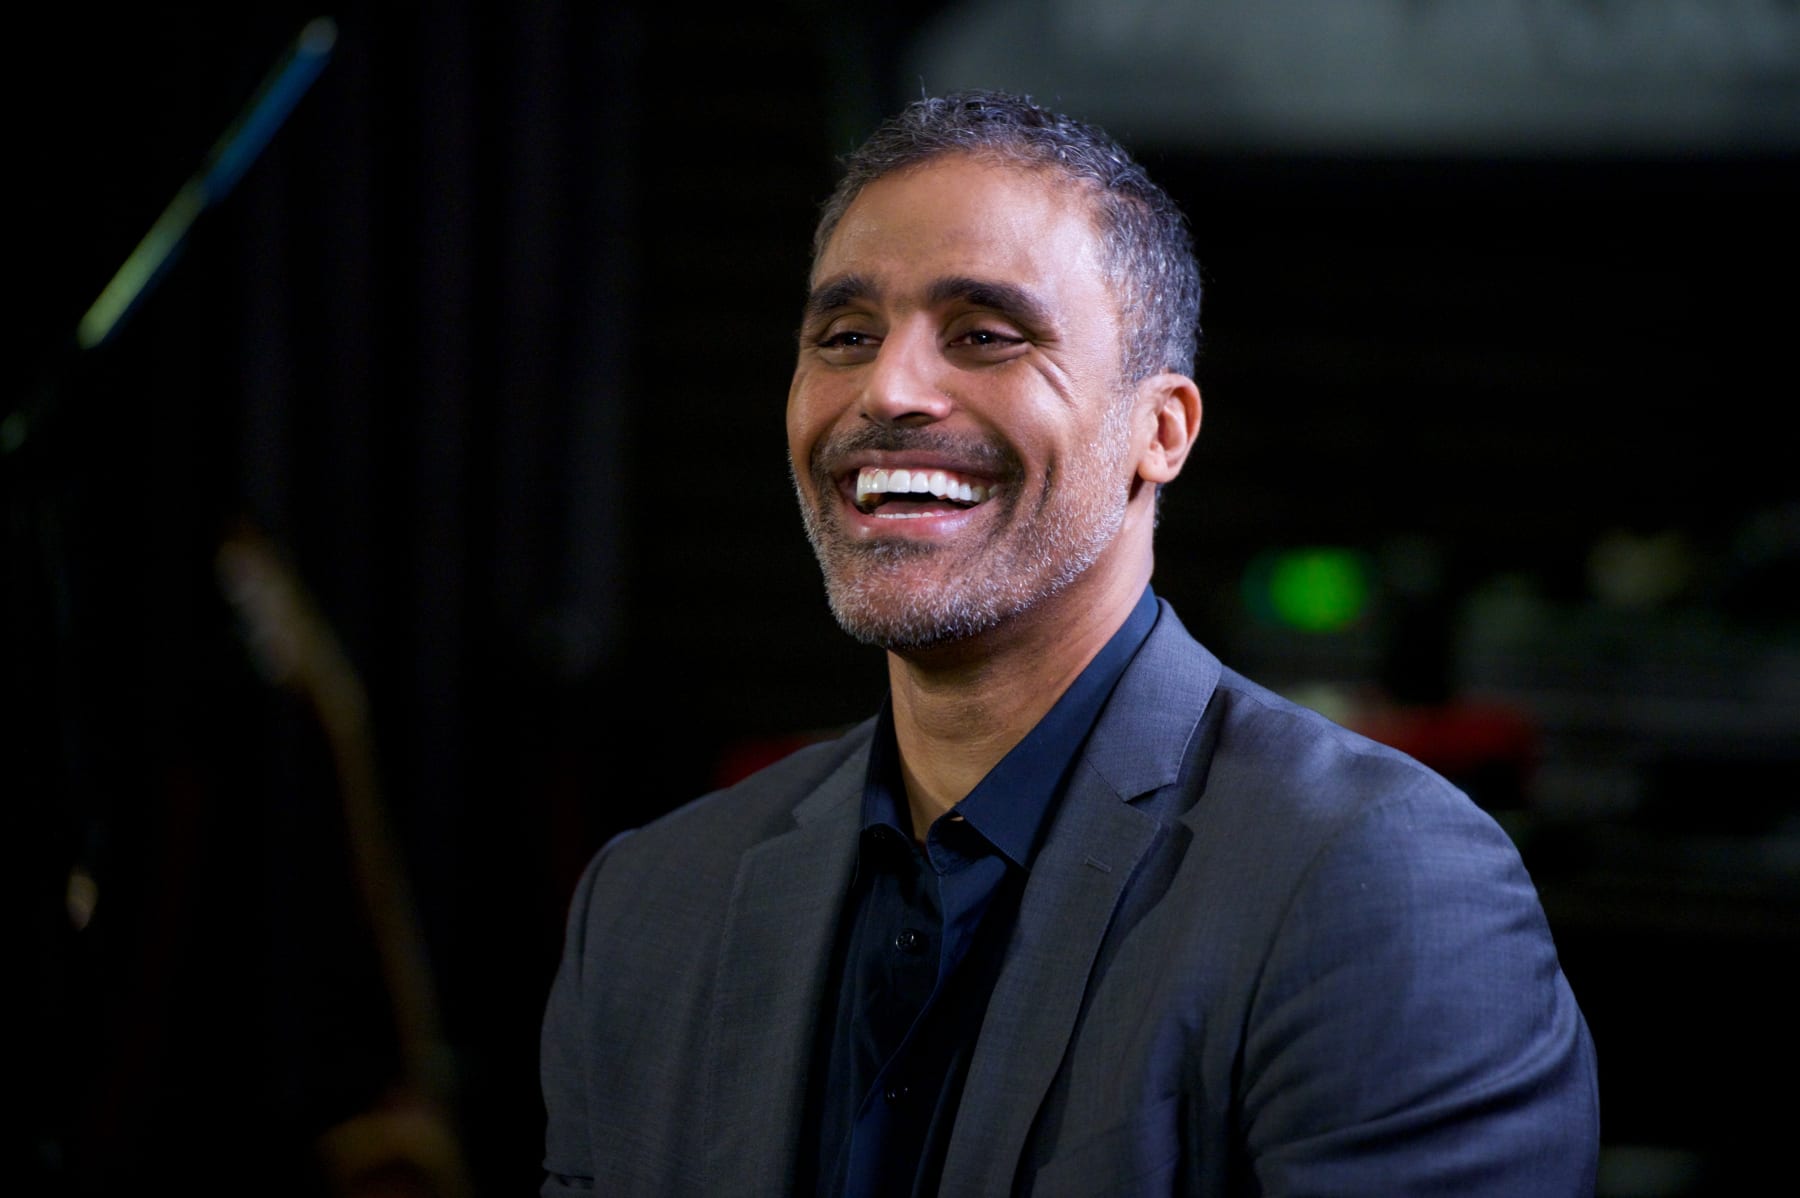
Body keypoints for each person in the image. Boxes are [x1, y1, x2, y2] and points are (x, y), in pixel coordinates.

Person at [539, 89, 1599, 1196]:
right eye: (845, 336)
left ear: (1162, 429)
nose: (889, 389)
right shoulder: (650, 904)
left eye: (985, 335)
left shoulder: (1377, 885)